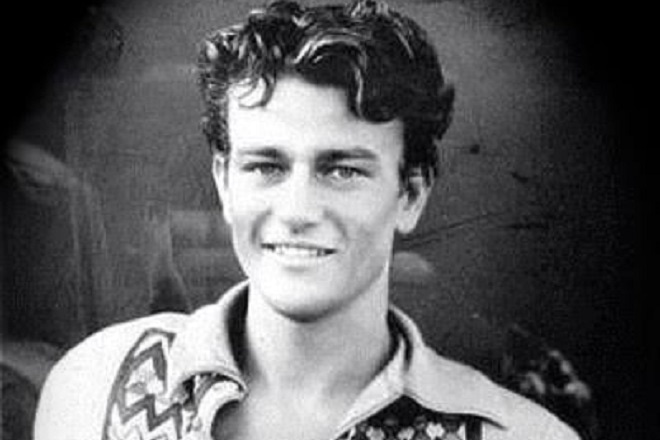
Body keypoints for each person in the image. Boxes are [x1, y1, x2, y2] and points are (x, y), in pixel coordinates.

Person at [34, 1, 581, 439]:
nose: (297, 211)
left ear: (411, 194)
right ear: (224, 181)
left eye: (342, 170)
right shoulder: (95, 388)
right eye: (265, 166)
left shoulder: (522, 436)